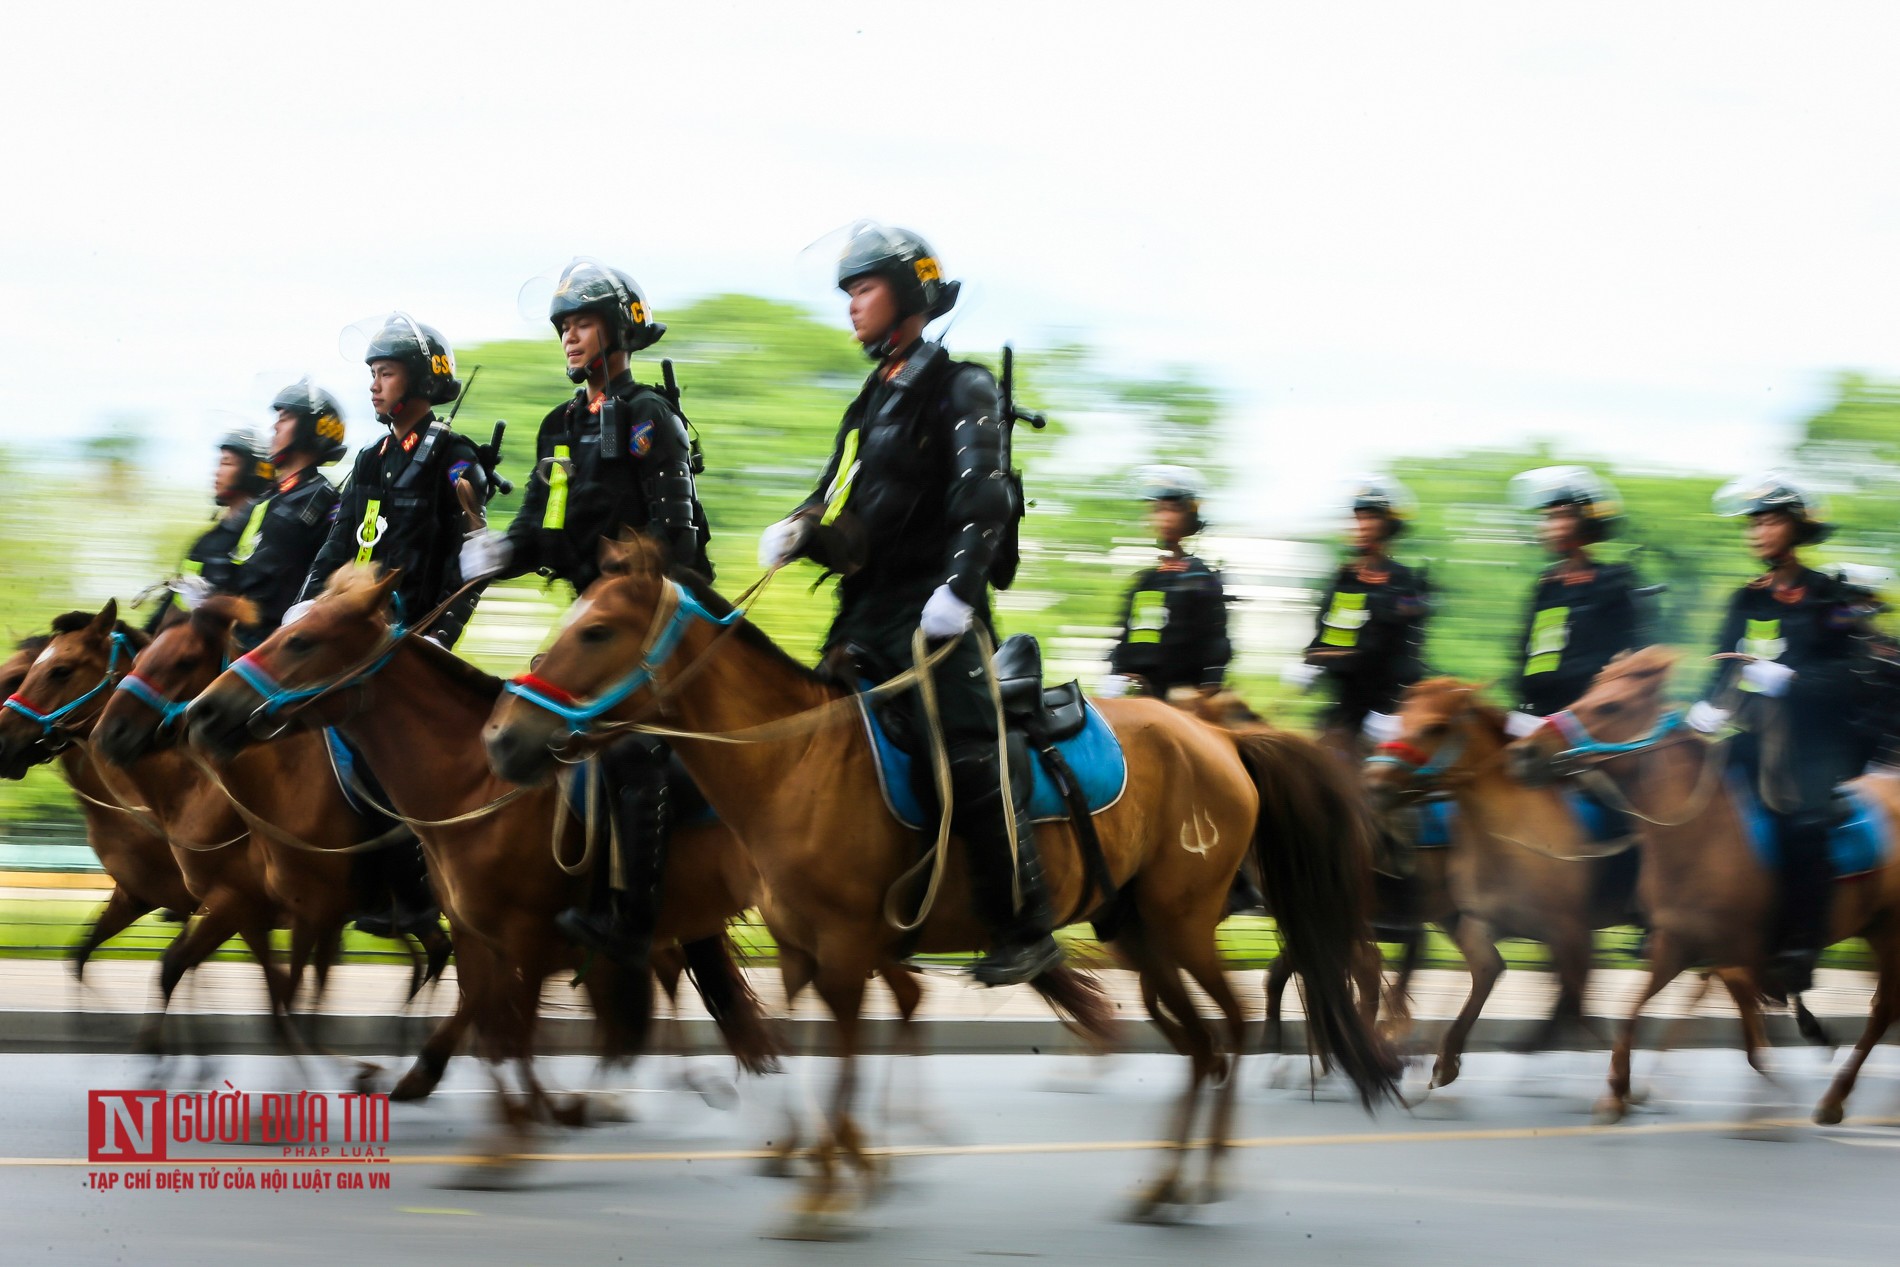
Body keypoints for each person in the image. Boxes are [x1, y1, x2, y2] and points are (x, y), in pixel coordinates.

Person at [758, 221, 1059, 986]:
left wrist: (959, 593)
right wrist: (803, 532)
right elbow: (851, 522)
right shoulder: (869, 400)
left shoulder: (963, 387)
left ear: (909, 295)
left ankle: (1022, 921)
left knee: (963, 743)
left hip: (938, 613)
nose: (852, 306)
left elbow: (983, 503)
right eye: (850, 293)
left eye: (864, 289)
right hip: (864, 615)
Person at [460, 257, 709, 971]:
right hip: (590, 621)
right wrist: (498, 549)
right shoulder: (560, 425)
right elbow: (543, 525)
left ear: (619, 330)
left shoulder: (650, 417)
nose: (570, 336)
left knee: (632, 748)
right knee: (522, 724)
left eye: (584, 322)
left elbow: (678, 538)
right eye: (564, 325)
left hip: (655, 619)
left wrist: (620, 581)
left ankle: (633, 917)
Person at [1686, 473, 1859, 995]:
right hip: (1751, 740)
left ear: (1798, 528)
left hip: (1815, 748)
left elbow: (1854, 674)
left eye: (1769, 520)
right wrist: (1701, 709)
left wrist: (1791, 680)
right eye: (1753, 523)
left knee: (1803, 828)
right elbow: (1720, 668)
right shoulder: (1747, 599)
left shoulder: (1832, 597)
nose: (1758, 531)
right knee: (1683, 801)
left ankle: (1799, 948)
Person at [292, 313, 486, 646]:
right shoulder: (370, 458)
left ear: (419, 381)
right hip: (352, 627)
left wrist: (442, 634)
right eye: (372, 374)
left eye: (387, 374)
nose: (374, 385)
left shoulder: (454, 457)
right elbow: (337, 541)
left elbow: (471, 557)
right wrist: (305, 605)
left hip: (413, 636)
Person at [1286, 476, 1429, 758]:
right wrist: (1308, 663)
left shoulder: (1405, 582)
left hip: (1385, 711)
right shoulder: (1344, 578)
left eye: (1370, 518)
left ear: (1389, 525)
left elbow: (1408, 651)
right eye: (1358, 518)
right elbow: (1327, 630)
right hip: (1342, 707)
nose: (1361, 526)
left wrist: (1389, 710)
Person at [1504, 465, 1642, 735]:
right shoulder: (1546, 586)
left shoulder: (1612, 582)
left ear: (1586, 520)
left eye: (1561, 516)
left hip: (1590, 722)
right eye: (1547, 518)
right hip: (1538, 716)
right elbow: (1526, 653)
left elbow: (1629, 656)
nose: (1550, 527)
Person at [222, 380, 348, 645]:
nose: (274, 427)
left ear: (309, 428)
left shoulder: (324, 500)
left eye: (285, 418)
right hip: (237, 636)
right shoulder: (270, 497)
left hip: (276, 645)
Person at [1101, 466, 1231, 700]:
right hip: (1141, 695)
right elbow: (1129, 633)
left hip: (1185, 698)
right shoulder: (1146, 580)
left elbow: (1216, 640)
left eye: (1173, 509)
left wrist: (1209, 685)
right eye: (1158, 509)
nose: (1164, 517)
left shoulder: (1202, 578)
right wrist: (1115, 672)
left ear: (1190, 514)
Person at [146, 431, 275, 631]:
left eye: (227, 463)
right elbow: (173, 604)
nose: (217, 472)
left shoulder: (266, 535)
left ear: (253, 472)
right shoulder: (205, 542)